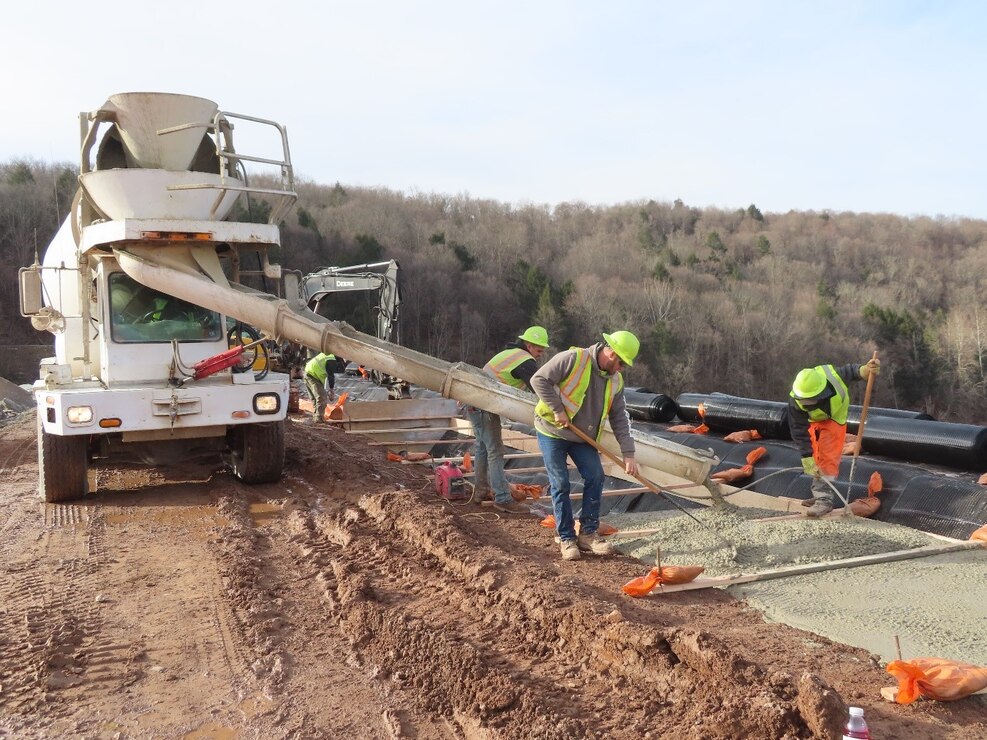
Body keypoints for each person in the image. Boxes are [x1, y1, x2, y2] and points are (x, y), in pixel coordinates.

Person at [531, 330, 640, 561]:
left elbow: (619, 417)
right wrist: (558, 410)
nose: (621, 369)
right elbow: (538, 379)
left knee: (596, 476)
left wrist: (628, 454)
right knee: (560, 483)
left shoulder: (615, 381)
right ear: (610, 353)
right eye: (621, 363)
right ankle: (566, 537)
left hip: (582, 437)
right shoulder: (574, 359)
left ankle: (588, 534)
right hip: (552, 430)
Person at [468, 326, 550, 514]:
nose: (539, 355)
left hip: (474, 401)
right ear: (529, 346)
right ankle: (503, 498)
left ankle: (480, 491)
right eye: (538, 350)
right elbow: (538, 389)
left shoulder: (509, 354)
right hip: (484, 404)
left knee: (482, 447)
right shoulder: (525, 361)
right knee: (495, 450)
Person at [788, 358, 881, 517]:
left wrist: (864, 370)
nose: (805, 403)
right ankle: (819, 494)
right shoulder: (796, 400)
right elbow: (799, 431)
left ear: (821, 393)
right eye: (803, 400)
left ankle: (824, 500)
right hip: (813, 421)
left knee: (827, 457)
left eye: (809, 400)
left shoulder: (833, 377)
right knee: (815, 457)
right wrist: (807, 457)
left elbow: (851, 371)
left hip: (834, 419)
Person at [304, 352, 337, 423]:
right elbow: (330, 375)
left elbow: (327, 374)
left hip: (308, 372)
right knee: (321, 397)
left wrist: (327, 389)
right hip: (313, 375)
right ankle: (319, 419)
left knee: (315, 398)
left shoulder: (327, 354)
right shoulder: (331, 359)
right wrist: (331, 389)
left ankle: (316, 417)